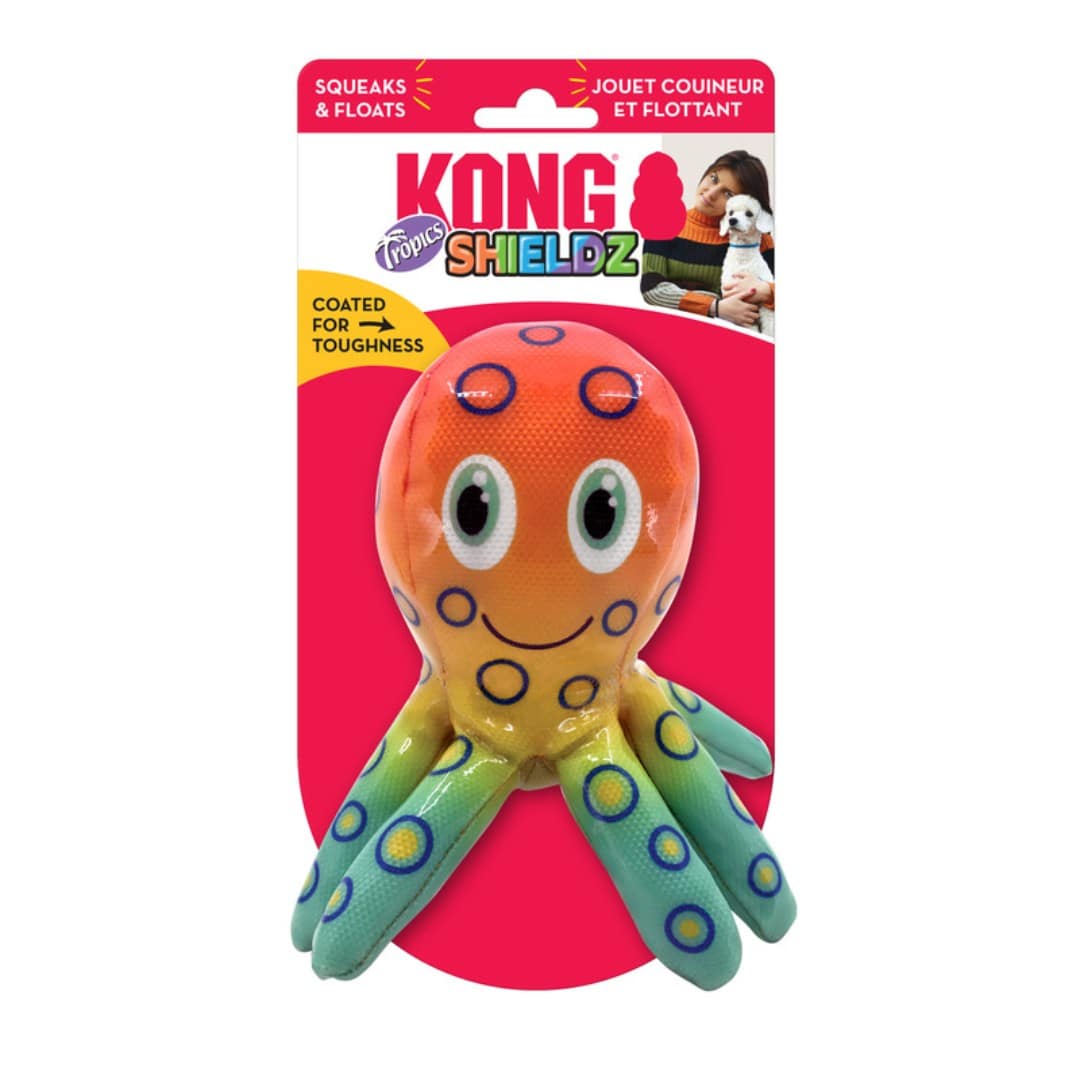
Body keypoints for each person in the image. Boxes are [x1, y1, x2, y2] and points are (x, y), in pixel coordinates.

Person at [640, 150, 775, 328]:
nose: (711, 193)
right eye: (714, 178)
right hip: (670, 332)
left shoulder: (756, 241)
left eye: (728, 194)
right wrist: (715, 306)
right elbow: (652, 289)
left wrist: (767, 291)